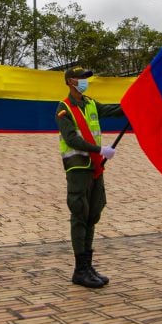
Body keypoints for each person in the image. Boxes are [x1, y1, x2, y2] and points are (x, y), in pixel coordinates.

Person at [55, 66, 127, 288]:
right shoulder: (64, 109)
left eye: (87, 78)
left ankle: (88, 265)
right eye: (81, 78)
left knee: (93, 213)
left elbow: (115, 110)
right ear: (70, 81)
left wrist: (134, 105)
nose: (85, 81)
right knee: (80, 213)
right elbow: (72, 139)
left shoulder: (91, 103)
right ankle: (79, 270)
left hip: (95, 166)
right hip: (78, 167)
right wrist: (100, 150)